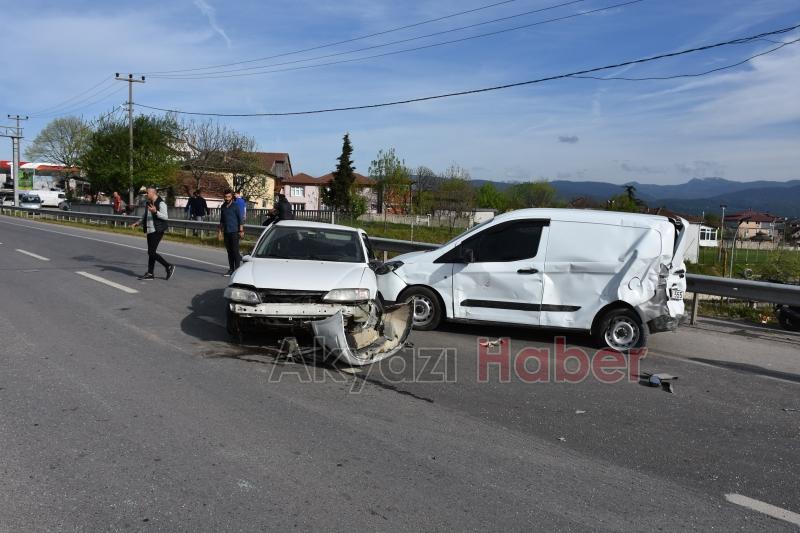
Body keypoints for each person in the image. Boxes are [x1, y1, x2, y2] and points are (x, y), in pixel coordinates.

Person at [131, 186, 176, 281]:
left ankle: (168, 266)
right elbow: (145, 215)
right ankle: (150, 273)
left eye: (148, 193)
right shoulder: (149, 203)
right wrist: (138, 223)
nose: (147, 195)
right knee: (151, 253)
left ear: (153, 193)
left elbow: (165, 217)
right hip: (150, 230)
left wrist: (156, 212)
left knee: (151, 252)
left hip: (157, 230)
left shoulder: (161, 203)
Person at [219, 188, 244, 276]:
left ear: (231, 197)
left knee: (235, 251)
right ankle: (231, 269)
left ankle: (237, 270)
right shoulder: (223, 206)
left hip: (234, 231)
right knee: (229, 252)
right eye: (225, 197)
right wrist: (220, 232)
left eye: (228, 197)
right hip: (226, 231)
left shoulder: (235, 206)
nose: (227, 198)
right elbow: (221, 220)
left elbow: (240, 219)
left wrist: (241, 230)